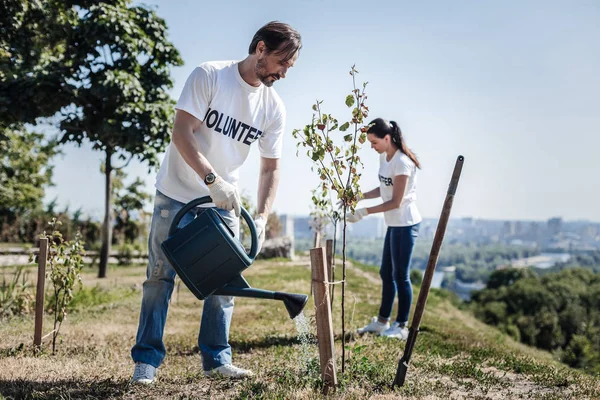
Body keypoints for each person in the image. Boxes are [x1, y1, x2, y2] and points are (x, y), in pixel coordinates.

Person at [130, 21, 301, 384]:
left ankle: (216, 359)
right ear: (259, 49)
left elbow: (270, 168)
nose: (284, 72)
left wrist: (261, 213)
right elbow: (181, 132)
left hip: (224, 206)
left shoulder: (273, 108)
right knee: (160, 279)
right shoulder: (209, 76)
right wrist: (212, 181)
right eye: (281, 62)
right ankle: (146, 362)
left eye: (289, 66)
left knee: (225, 283)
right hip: (177, 194)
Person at [346, 118, 422, 340]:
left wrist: (364, 212)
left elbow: (395, 201)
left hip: (405, 224)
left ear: (387, 138)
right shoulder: (385, 157)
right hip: (393, 224)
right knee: (385, 273)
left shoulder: (402, 163)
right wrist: (358, 197)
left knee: (400, 275)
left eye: (374, 142)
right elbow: (383, 188)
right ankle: (381, 322)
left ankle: (401, 326)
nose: (372, 147)